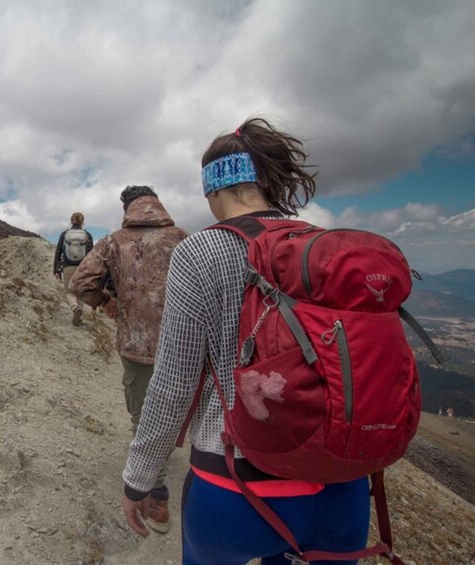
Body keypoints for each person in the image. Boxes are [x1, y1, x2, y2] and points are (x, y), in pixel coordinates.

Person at [121, 118, 371, 564]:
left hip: (236, 483)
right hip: (340, 485)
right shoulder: (323, 244)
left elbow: (174, 384)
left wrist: (138, 479)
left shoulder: (200, 251)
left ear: (213, 189)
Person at [71, 186, 188, 533]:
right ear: (157, 204)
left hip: (136, 346)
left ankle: (158, 495)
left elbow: (81, 283)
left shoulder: (113, 241)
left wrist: (108, 303)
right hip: (183, 345)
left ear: (128, 208)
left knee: (143, 414)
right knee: (180, 408)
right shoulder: (184, 238)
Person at [54, 212, 94, 326]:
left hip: (68, 266)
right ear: (82, 221)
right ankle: (78, 318)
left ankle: (75, 307)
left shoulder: (65, 234)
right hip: (83, 268)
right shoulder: (87, 235)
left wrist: (56, 270)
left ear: (71, 221)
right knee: (80, 292)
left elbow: (58, 252)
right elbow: (92, 254)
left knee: (69, 291)